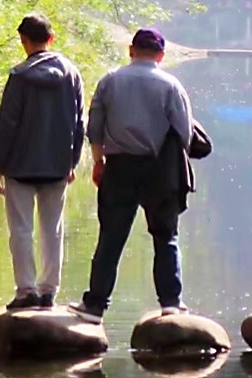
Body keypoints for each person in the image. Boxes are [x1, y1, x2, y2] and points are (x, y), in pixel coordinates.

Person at [71, 28, 195, 320]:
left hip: (119, 167)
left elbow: (95, 127)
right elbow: (184, 133)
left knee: (111, 237)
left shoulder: (110, 81)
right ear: (161, 55)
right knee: (165, 237)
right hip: (160, 171)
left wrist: (99, 160)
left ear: (131, 50)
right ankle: (171, 303)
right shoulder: (171, 85)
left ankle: (95, 305)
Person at [0, 14, 87, 312]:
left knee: (20, 229)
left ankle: (25, 291)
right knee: (52, 229)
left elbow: (7, 123)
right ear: (51, 38)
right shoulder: (72, 73)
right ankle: (48, 291)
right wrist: (72, 161)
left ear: (24, 41)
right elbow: (79, 122)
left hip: (19, 166)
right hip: (57, 165)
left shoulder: (19, 76)